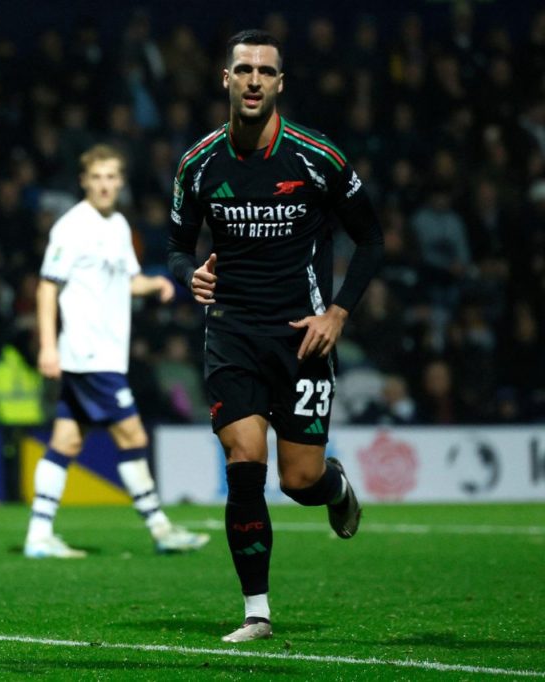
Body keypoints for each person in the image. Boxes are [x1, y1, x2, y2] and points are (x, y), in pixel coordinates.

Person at [167, 30, 383, 643]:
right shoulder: (199, 164)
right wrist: (191, 276)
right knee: (243, 460)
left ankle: (333, 485)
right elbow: (178, 247)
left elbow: (372, 239)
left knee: (297, 480)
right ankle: (256, 611)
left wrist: (338, 312)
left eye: (265, 71)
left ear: (280, 83)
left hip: (302, 338)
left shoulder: (318, 157)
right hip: (231, 333)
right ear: (226, 80)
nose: (254, 79)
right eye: (243, 69)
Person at [24, 144, 210, 559]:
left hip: (106, 353)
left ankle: (38, 534)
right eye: (97, 177)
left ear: (120, 182)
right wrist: (49, 347)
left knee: (66, 442)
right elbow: (47, 286)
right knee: (133, 435)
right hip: (88, 353)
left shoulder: (120, 227)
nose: (105, 185)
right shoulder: (71, 227)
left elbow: (128, 280)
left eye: (112, 177)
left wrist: (156, 284)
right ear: (84, 181)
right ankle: (160, 528)